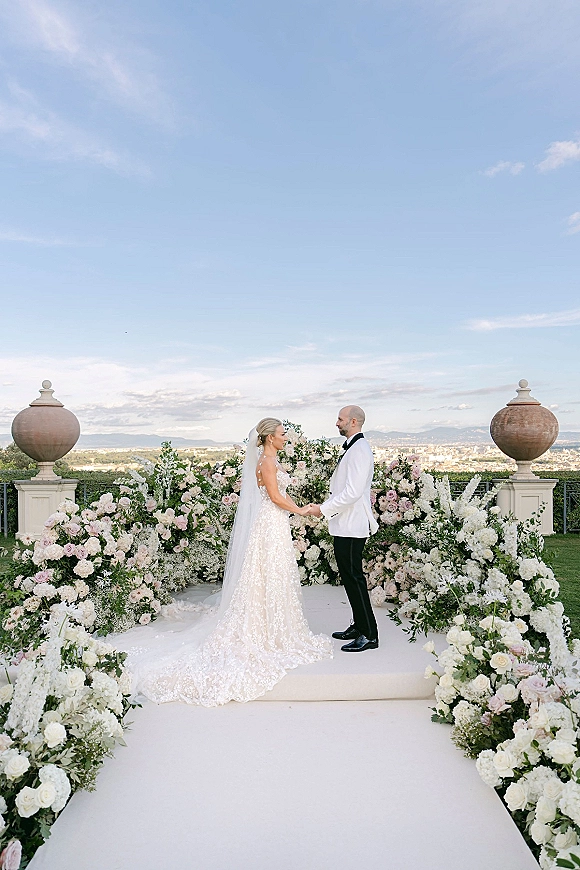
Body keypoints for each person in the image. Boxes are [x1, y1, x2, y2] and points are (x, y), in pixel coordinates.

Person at [116, 418, 332, 706]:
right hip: (269, 524)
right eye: (282, 435)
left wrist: (298, 507)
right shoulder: (266, 463)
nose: (285, 439)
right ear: (269, 438)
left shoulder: (272, 459)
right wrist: (302, 512)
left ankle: (277, 625)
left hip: (276, 524)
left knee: (275, 574)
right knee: (266, 573)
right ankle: (264, 628)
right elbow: (276, 498)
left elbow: (282, 496)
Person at [308, 406, 379, 652]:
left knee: (354, 578)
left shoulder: (359, 450)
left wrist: (323, 509)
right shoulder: (354, 447)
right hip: (345, 524)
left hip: (352, 525)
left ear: (353, 421)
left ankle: (369, 634)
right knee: (349, 578)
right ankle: (359, 626)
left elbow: (352, 492)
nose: (336, 423)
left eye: (340, 419)